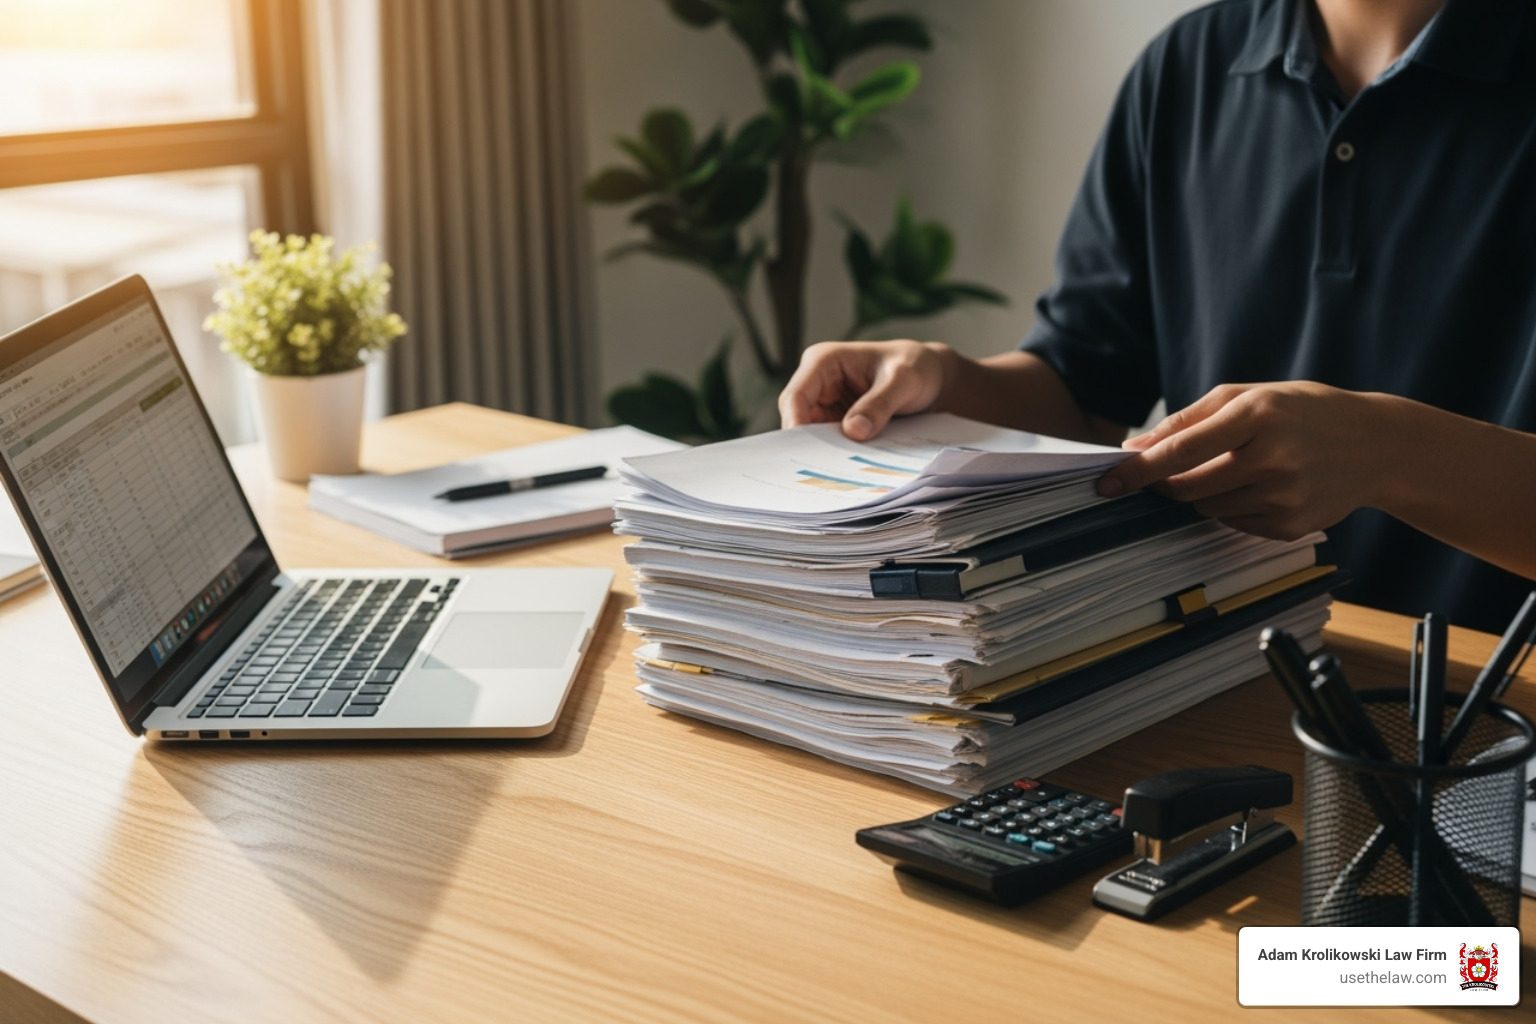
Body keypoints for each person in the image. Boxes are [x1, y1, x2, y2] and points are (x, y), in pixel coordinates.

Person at [778, 0, 1536, 633]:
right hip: (1212, 661)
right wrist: (944, 382)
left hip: (1489, 722)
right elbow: (1081, 389)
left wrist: (1384, 452)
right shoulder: (1190, 66)